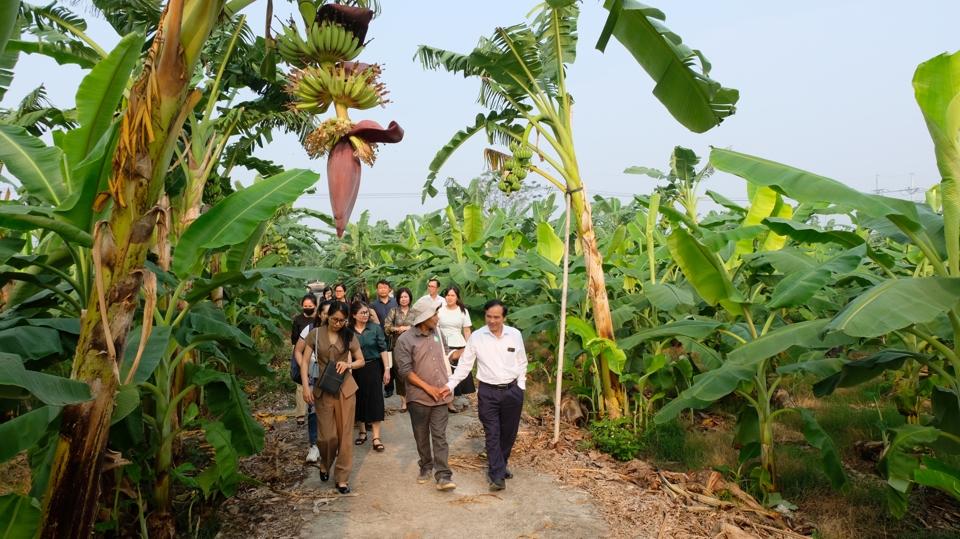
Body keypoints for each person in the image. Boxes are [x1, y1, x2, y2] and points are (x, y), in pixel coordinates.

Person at [446, 299, 527, 492]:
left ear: (503, 318)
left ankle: (500, 464)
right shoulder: (477, 337)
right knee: (493, 432)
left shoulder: (514, 335)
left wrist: (521, 386)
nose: (492, 321)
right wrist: (450, 385)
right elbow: (465, 365)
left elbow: (522, 361)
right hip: (488, 393)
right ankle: (497, 475)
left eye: (496, 317)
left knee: (508, 434)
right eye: (488, 316)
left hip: (512, 391)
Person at [300, 301, 366, 494]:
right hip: (323, 389)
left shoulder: (349, 336)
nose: (338, 324)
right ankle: (325, 463)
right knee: (327, 437)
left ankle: (342, 478)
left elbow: (361, 360)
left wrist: (349, 365)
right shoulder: (316, 334)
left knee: (345, 435)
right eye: (335, 319)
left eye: (342, 321)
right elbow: (304, 362)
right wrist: (306, 387)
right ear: (327, 316)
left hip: (346, 389)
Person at [394, 296, 457, 492]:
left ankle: (443, 475)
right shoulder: (405, 340)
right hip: (419, 398)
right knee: (421, 435)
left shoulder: (438, 332)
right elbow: (405, 371)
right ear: (424, 317)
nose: (438, 317)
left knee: (440, 435)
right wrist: (428, 388)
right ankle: (426, 465)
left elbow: (445, 356)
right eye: (435, 313)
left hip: (441, 395)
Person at [350, 300, 390, 452]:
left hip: (373, 366)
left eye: (367, 312)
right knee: (358, 398)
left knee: (375, 399)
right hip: (355, 368)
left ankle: (376, 437)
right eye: (362, 313)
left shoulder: (375, 328)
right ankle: (361, 432)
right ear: (354, 315)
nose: (365, 315)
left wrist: (386, 369)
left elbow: (383, 348)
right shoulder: (349, 331)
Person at [437, 286, 475, 413]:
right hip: (442, 345)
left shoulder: (463, 311)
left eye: (452, 295)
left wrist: (470, 347)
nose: (449, 297)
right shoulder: (440, 310)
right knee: (445, 374)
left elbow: (466, 330)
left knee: (458, 373)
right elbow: (435, 328)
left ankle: (453, 399)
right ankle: (448, 402)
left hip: (459, 344)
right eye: (447, 295)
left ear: (457, 297)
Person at [291, 294, 319, 461]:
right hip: (312, 373)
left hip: (331, 376)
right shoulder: (308, 329)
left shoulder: (340, 330)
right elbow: (297, 349)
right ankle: (314, 445)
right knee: (314, 410)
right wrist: (304, 368)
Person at [384, 287, 416, 413]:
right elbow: (387, 327)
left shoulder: (415, 312)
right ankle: (404, 401)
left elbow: (420, 326)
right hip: (397, 346)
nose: (403, 299)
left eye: (406, 297)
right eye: (401, 297)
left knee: (414, 372)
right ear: (398, 299)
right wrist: (398, 328)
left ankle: (414, 399)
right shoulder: (394, 311)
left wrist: (409, 328)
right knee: (400, 374)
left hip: (414, 346)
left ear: (410, 298)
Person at [371, 280, 398, 396]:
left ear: (389, 289)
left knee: (397, 362)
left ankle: (400, 387)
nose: (382, 289)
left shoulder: (396, 303)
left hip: (396, 337)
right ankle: (388, 388)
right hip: (380, 337)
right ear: (377, 290)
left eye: (385, 287)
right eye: (380, 288)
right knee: (385, 362)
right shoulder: (373, 305)